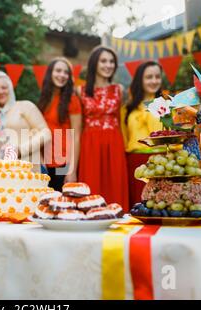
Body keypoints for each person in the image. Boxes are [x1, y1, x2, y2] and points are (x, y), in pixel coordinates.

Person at [78, 45, 129, 211]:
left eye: (112, 61)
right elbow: (77, 127)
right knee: (91, 190)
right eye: (103, 61)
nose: (108, 65)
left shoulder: (119, 90)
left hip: (114, 143)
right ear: (94, 63)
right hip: (89, 145)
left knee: (115, 187)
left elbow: (123, 121)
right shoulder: (81, 91)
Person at [121, 61, 165, 207]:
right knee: (138, 206)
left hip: (162, 163)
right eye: (149, 77)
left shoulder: (168, 106)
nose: (154, 81)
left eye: (157, 77)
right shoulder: (127, 109)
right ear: (140, 80)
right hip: (135, 163)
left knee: (161, 206)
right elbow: (123, 138)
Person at [0, 70, 51, 173]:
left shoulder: (25, 106)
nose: (0, 91)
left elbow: (46, 133)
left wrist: (20, 150)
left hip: (32, 168)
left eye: (4, 87)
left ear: (10, 88)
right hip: (4, 173)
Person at [37, 57, 82, 191]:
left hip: (63, 163)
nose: (62, 75)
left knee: (61, 206)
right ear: (50, 73)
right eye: (58, 71)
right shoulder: (43, 99)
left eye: (66, 72)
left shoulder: (72, 100)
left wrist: (72, 170)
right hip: (44, 163)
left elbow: (76, 136)